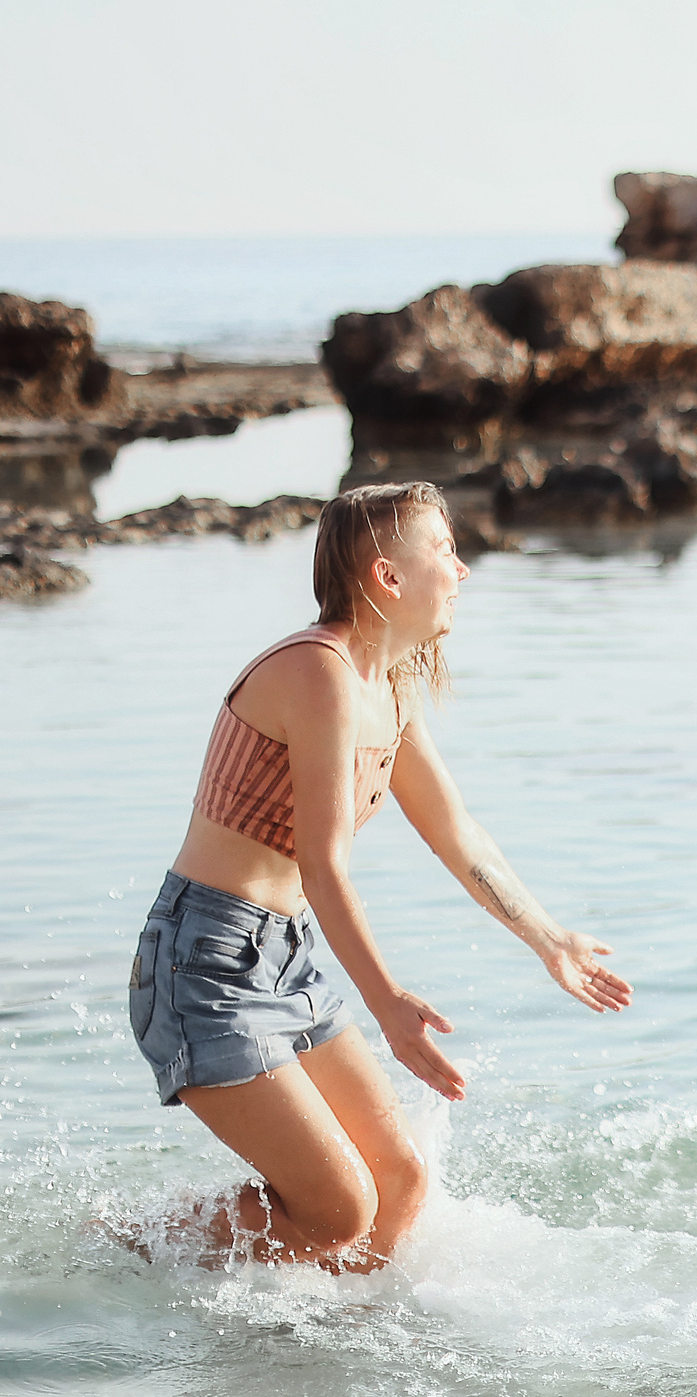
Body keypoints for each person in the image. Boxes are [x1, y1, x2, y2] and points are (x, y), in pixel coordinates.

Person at [125, 482, 631, 1272]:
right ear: (388, 579)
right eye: (445, 552)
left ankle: (335, 1344)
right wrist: (389, 1003)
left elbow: (454, 829)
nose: (462, 571)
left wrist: (549, 937)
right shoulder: (318, 673)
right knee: (338, 1207)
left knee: (401, 1179)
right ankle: (131, 1245)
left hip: (281, 953)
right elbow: (325, 864)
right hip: (204, 964)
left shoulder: (388, 688)